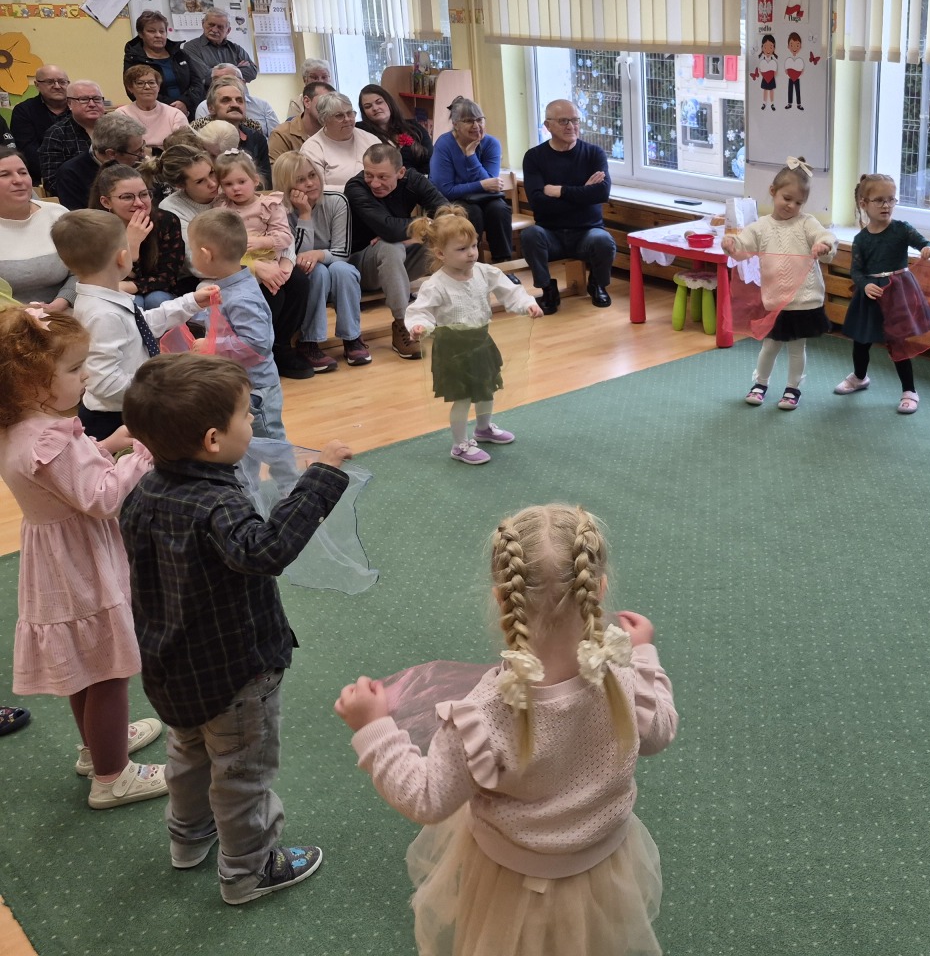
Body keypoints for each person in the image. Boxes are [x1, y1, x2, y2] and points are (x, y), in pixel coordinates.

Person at [335, 503, 677, 956]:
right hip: (602, 862)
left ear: (502, 599)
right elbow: (659, 731)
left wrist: (373, 727)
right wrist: (644, 654)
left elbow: (426, 797)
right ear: (599, 589)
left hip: (511, 878)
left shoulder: (484, 714)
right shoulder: (622, 676)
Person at [120, 353, 353, 903]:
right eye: (247, 415)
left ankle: (188, 837)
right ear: (212, 440)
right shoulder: (216, 503)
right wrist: (322, 479)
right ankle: (249, 870)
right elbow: (265, 550)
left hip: (169, 665)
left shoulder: (143, 492)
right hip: (235, 672)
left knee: (188, 753)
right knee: (242, 771)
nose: (254, 421)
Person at [0, 305, 168, 810]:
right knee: (108, 669)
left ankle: (99, 747)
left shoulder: (20, 429)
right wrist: (141, 456)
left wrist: (106, 443)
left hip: (56, 558)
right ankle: (113, 776)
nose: (86, 376)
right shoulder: (50, 440)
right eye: (74, 369)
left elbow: (65, 479)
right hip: (80, 560)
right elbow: (102, 496)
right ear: (30, 382)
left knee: (86, 666)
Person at [48, 209, 213, 439]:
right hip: (115, 419)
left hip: (130, 406)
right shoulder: (102, 314)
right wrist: (159, 387)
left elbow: (143, 323)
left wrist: (191, 302)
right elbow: (104, 383)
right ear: (122, 257)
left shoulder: (107, 297)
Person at [404, 206, 541, 465]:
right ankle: (459, 445)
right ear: (441, 253)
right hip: (453, 349)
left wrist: (527, 305)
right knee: (463, 398)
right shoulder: (436, 284)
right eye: (462, 249)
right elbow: (419, 310)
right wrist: (419, 326)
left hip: (481, 342)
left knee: (486, 389)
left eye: (474, 246)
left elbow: (510, 290)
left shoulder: (484, 272)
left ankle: (483, 428)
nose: (471, 253)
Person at [721, 159, 836, 410]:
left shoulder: (806, 223)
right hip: (775, 301)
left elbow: (826, 237)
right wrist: (731, 245)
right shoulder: (761, 227)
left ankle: (793, 389)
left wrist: (824, 245)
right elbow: (742, 247)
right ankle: (760, 384)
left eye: (798, 202)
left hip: (804, 301)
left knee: (797, 348)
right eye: (787, 198)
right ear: (773, 191)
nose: (791, 206)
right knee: (770, 345)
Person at [210, 151, 322, 376]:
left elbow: (285, 237)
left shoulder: (270, 204)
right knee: (273, 294)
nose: (236, 188)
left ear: (255, 180)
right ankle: (263, 349)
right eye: (229, 184)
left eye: (241, 181)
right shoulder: (222, 209)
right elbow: (219, 243)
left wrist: (262, 242)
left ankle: (282, 343)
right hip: (240, 264)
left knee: (299, 282)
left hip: (272, 257)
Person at [835, 173, 930, 415]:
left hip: (897, 294)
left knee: (897, 342)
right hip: (871, 296)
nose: (886, 205)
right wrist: (864, 285)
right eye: (879, 200)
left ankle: (909, 391)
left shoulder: (901, 229)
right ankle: (860, 377)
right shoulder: (861, 239)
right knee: (861, 341)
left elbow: (925, 243)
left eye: (891, 199)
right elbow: (856, 271)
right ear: (864, 203)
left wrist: (929, 248)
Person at [187, 209, 289, 438]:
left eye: (191, 249)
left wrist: (212, 346)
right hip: (238, 384)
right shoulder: (228, 287)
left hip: (256, 391)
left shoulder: (241, 297)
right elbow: (224, 322)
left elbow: (257, 343)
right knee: (241, 444)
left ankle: (284, 466)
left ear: (205, 254)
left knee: (270, 444)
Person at [347, 144, 450, 360]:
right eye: (369, 175)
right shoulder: (356, 187)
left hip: (400, 258)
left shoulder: (413, 180)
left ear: (401, 172)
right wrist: (420, 227)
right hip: (362, 265)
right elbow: (388, 230)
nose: (375, 183)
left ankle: (452, 310)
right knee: (389, 246)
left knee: (445, 238)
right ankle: (403, 323)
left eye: (383, 177)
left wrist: (411, 237)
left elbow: (447, 214)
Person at [274, 152, 369, 367]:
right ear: (287, 186)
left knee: (342, 270)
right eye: (300, 180)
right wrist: (305, 214)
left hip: (335, 264)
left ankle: (352, 337)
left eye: (312, 175)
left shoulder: (337, 201)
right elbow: (296, 257)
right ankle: (309, 341)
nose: (310, 183)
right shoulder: (280, 210)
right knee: (317, 271)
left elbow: (343, 252)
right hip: (300, 273)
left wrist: (318, 254)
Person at [519, 100, 616, 313]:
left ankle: (597, 285)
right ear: (548, 125)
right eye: (563, 121)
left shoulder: (594, 154)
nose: (571, 126)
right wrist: (583, 193)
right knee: (529, 235)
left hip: (587, 232)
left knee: (604, 240)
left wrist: (560, 191)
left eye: (575, 120)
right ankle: (547, 289)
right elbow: (538, 203)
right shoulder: (534, 157)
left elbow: (601, 193)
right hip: (550, 233)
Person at [93, 164, 195, 310]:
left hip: (159, 291)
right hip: (115, 293)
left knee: (156, 300)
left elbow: (167, 278)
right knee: (133, 303)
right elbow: (104, 280)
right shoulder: (96, 229)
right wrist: (131, 247)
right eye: (127, 197)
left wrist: (128, 286)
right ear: (106, 202)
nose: (139, 203)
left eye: (144, 194)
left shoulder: (166, 221)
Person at [430, 96, 516, 264]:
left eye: (480, 120)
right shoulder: (444, 144)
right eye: (469, 121)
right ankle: (469, 264)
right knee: (471, 212)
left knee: (500, 209)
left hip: (485, 198)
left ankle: (504, 264)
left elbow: (491, 185)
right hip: (453, 200)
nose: (476, 126)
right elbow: (445, 190)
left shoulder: (491, 143)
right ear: (455, 124)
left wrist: (471, 156)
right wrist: (481, 185)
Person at [0, 147, 74, 311]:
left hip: (64, 314)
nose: (18, 180)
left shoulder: (58, 214)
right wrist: (22, 315)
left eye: (23, 172)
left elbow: (83, 271)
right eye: (4, 175)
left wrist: (59, 304)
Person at [53, 113, 147, 212]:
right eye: (137, 151)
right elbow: (80, 218)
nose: (143, 155)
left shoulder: (139, 166)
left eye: (143, 147)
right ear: (111, 154)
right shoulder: (70, 174)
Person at [122, 10, 205, 117]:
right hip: (153, 113)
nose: (158, 35)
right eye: (151, 31)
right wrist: (171, 107)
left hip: (188, 111)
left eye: (162, 31)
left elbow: (197, 83)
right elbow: (133, 89)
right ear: (141, 34)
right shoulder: (133, 58)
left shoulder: (179, 54)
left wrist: (185, 102)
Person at [36, 79, 107, 195]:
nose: (92, 104)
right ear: (69, 104)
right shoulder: (57, 134)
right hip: (78, 198)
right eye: (84, 99)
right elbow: (52, 181)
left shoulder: (117, 128)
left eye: (97, 99)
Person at [302, 92, 381, 191]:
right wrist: (356, 190)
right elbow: (316, 189)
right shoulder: (312, 148)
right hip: (336, 200)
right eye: (339, 116)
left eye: (350, 113)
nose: (347, 119)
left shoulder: (370, 139)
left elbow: (388, 174)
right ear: (324, 120)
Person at [10, 65, 72, 181]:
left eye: (62, 82)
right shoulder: (24, 110)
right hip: (40, 177)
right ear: (37, 85)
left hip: (78, 174)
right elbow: (27, 151)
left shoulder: (78, 108)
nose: (57, 86)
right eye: (50, 82)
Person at [206, 79, 273, 183]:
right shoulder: (201, 140)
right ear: (211, 108)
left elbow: (266, 183)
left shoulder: (257, 139)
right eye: (226, 100)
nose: (235, 105)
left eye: (239, 100)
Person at [356, 83, 431, 174]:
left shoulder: (414, 127)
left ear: (389, 102)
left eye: (379, 102)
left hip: (421, 179)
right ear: (364, 112)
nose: (375, 108)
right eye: (368, 106)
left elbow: (430, 160)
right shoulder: (362, 132)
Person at [114, 64, 188, 149]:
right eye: (140, 83)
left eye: (152, 83)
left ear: (158, 87)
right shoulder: (121, 114)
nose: (147, 87)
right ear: (130, 88)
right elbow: (121, 147)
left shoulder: (175, 114)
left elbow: (183, 147)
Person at [195, 63, 280, 132]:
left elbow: (275, 136)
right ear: (211, 108)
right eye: (215, 79)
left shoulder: (262, 107)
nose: (221, 83)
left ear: (242, 82)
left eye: (227, 79)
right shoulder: (204, 107)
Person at [183, 8, 259, 84]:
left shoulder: (236, 49)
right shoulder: (191, 47)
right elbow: (205, 76)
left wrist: (218, 73)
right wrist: (236, 70)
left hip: (235, 91)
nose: (214, 30)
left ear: (228, 30)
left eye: (220, 27)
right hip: (209, 91)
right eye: (211, 25)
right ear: (203, 24)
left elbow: (252, 73)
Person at [268, 81, 333, 161]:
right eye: (324, 102)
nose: (329, 108)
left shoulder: (336, 130)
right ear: (307, 102)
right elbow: (277, 168)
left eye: (333, 104)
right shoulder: (282, 134)